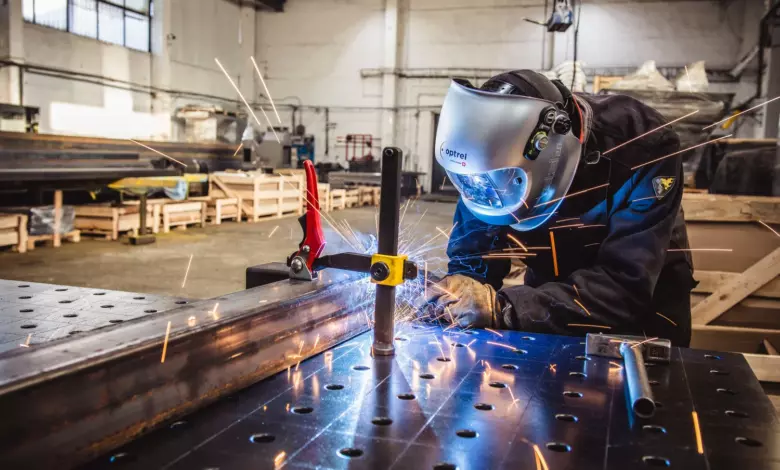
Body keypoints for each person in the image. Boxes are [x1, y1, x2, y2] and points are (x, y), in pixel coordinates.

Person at [418, 70, 695, 346]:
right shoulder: (488, 162)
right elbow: (474, 259)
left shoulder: (644, 145)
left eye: (510, 181)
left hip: (643, 305)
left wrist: (504, 308)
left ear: (550, 152)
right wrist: (462, 292)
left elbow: (625, 284)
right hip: (549, 290)